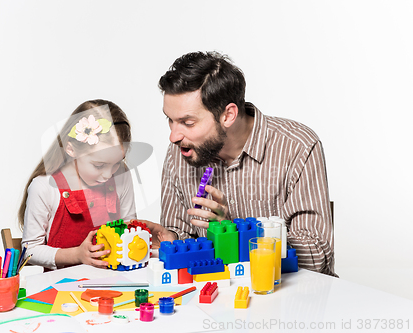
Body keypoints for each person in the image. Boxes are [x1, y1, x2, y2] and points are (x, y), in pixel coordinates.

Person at [152, 51, 336, 276]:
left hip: (290, 299)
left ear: (228, 115)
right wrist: (171, 241)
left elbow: (316, 255)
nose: (173, 136)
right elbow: (184, 239)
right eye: (170, 120)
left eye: (187, 122)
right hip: (219, 298)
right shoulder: (180, 152)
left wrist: (234, 235)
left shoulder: (297, 146)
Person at [18, 100, 136, 270]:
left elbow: (128, 227)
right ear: (71, 150)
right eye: (99, 165)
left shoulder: (121, 174)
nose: (108, 174)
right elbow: (30, 251)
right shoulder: (44, 187)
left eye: (117, 163)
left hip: (112, 281)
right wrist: (77, 255)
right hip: (61, 289)